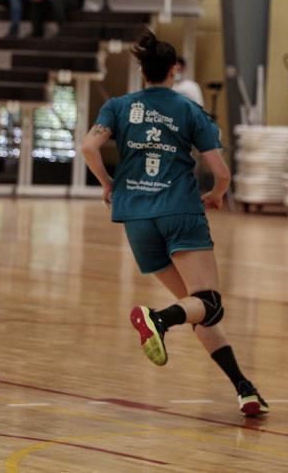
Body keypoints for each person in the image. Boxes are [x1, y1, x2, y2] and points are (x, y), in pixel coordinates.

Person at [81, 29, 268, 417]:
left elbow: (88, 147)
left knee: (199, 307)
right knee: (208, 302)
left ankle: (244, 388)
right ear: (174, 71)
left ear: (142, 71)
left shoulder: (119, 106)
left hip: (135, 217)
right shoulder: (187, 109)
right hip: (179, 210)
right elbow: (221, 171)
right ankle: (159, 318)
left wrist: (109, 184)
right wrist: (216, 194)